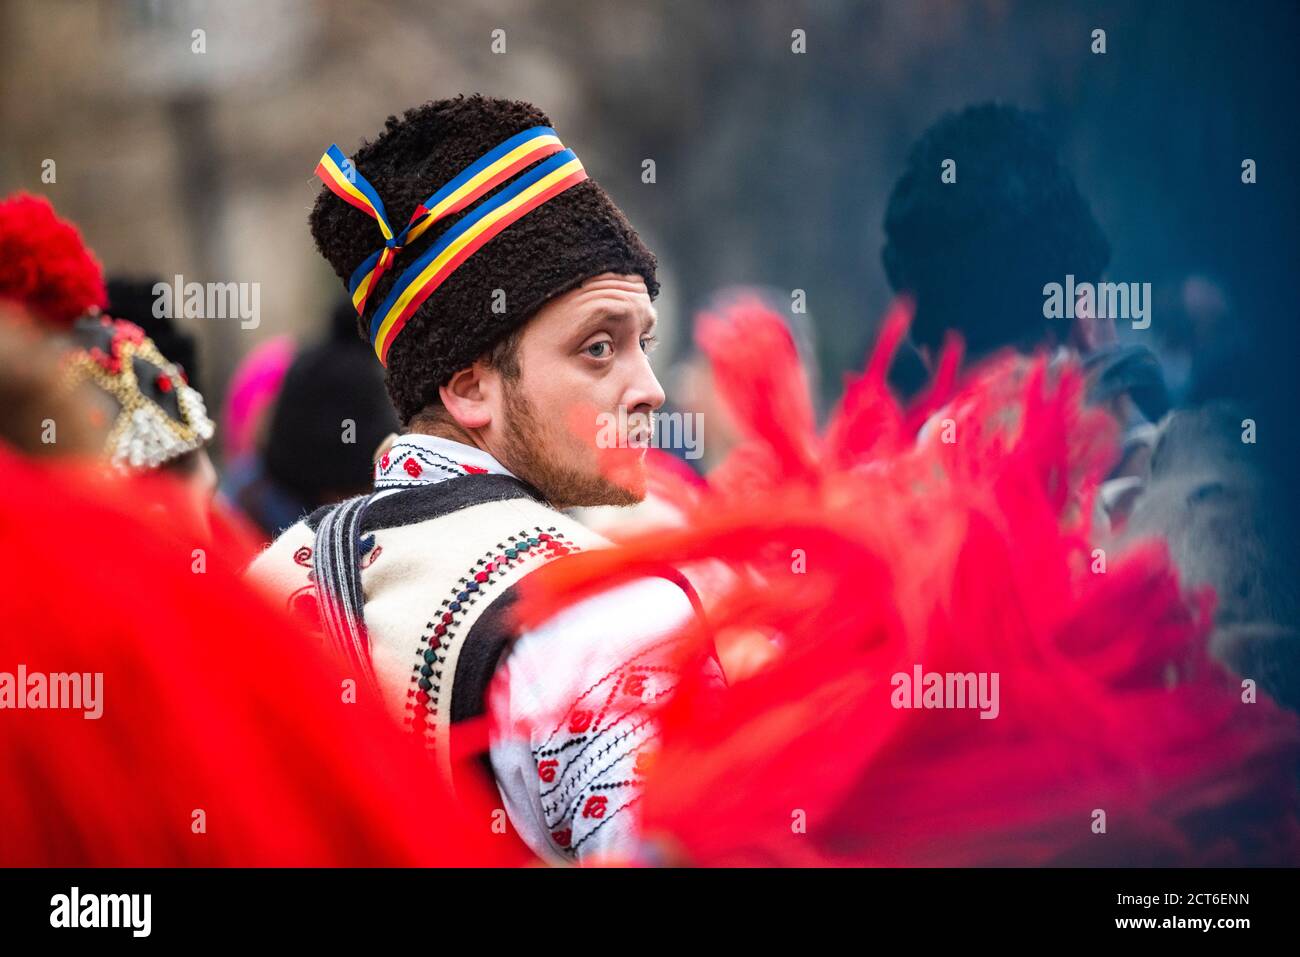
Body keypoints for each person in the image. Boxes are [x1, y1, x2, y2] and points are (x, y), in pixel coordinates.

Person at [246, 95, 714, 865]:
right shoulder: (607, 613)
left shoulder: (260, 583)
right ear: (469, 388)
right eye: (599, 348)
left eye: (644, 342)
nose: (651, 388)